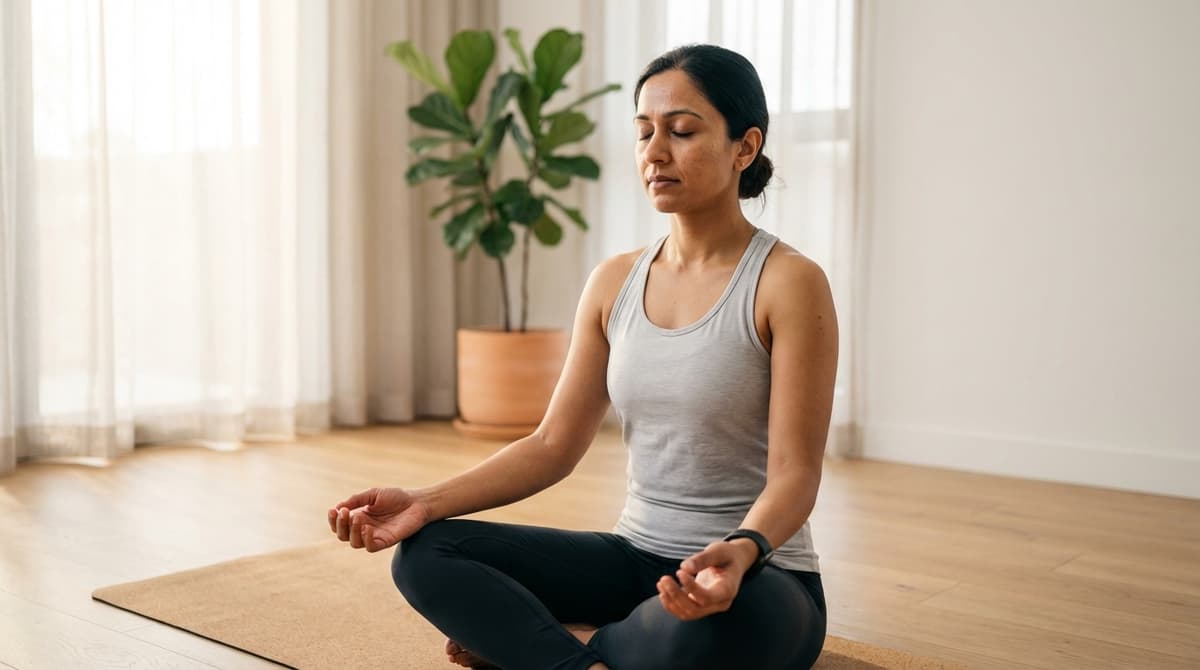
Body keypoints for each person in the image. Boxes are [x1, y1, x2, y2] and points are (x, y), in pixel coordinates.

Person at [327, 44, 838, 670]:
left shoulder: (789, 282)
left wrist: (741, 549)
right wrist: (424, 502)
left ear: (745, 147)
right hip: (634, 561)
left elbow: (795, 475)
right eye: (643, 132)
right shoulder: (613, 281)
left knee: (717, 630)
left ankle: (543, 651)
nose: (654, 152)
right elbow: (551, 445)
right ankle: (590, 657)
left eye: (680, 131)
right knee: (428, 552)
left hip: (758, 577)